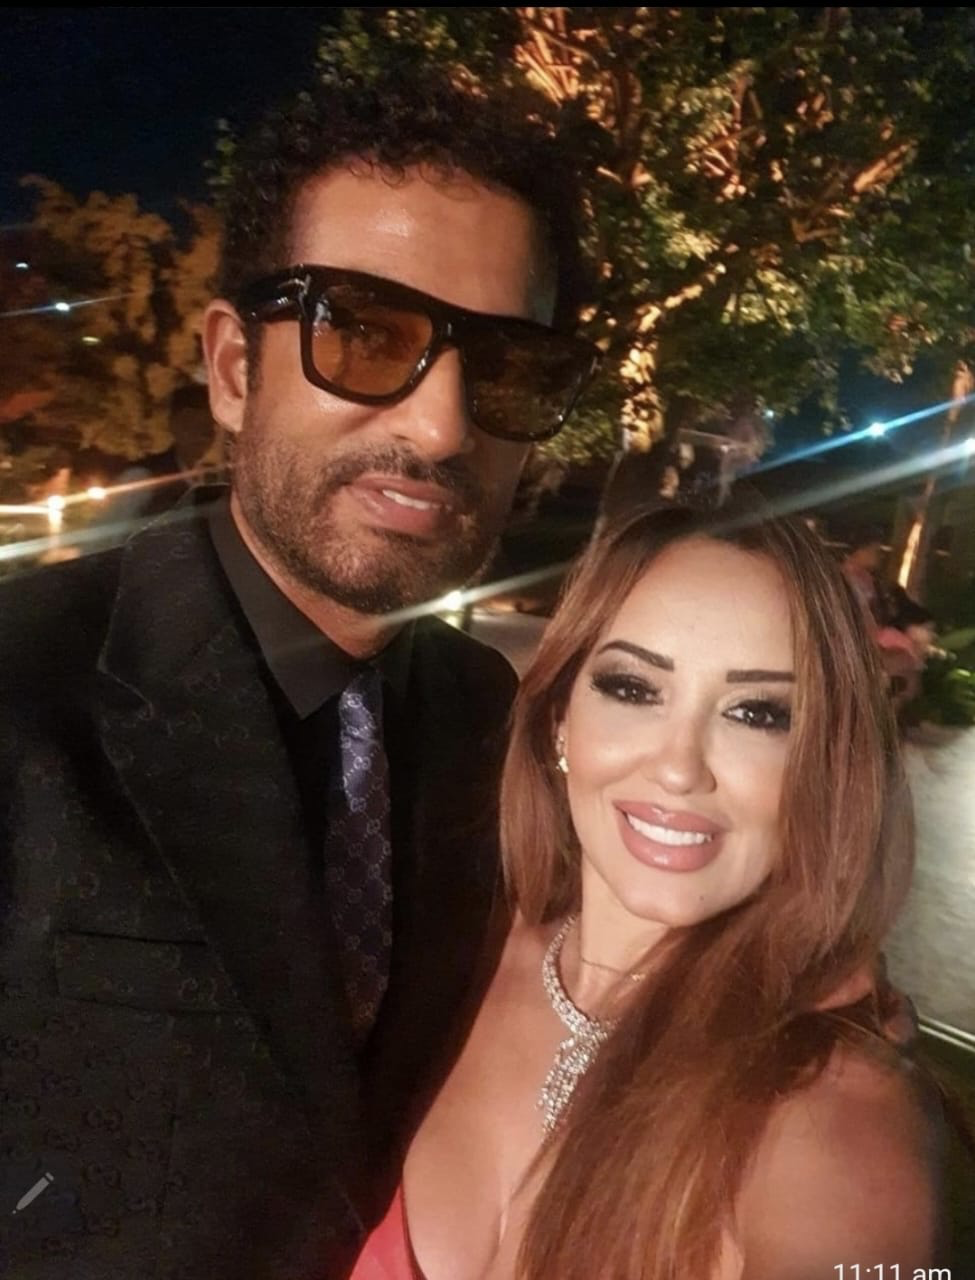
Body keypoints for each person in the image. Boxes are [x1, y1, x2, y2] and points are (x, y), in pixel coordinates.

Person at [0, 71, 598, 1278]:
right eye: (364, 331)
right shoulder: (25, 693)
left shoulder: (490, 720)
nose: (441, 426)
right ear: (233, 369)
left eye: (506, 367)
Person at [352, 501, 943, 1280]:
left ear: (826, 766)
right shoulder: (445, 956)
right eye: (633, 689)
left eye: (756, 712)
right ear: (559, 721)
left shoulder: (828, 1115)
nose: (677, 767)